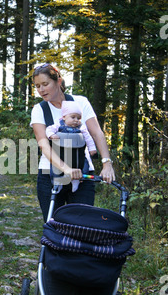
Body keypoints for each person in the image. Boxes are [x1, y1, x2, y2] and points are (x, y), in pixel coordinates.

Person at [30, 63, 115, 222]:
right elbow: (43, 144)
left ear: (59, 81)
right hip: (50, 174)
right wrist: (66, 169)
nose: (41, 90)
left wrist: (106, 163)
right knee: (54, 226)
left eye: (45, 84)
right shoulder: (39, 110)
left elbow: (96, 132)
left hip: (82, 174)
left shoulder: (80, 102)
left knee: (82, 224)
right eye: (37, 86)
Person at [46, 100, 97, 192]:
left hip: (78, 155)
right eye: (73, 117)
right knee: (56, 168)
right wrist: (51, 135)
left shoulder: (81, 128)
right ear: (64, 117)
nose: (76, 120)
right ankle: (58, 183)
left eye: (78, 118)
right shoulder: (58, 125)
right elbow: (49, 129)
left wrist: (92, 149)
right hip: (62, 155)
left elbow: (88, 138)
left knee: (84, 167)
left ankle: (77, 180)